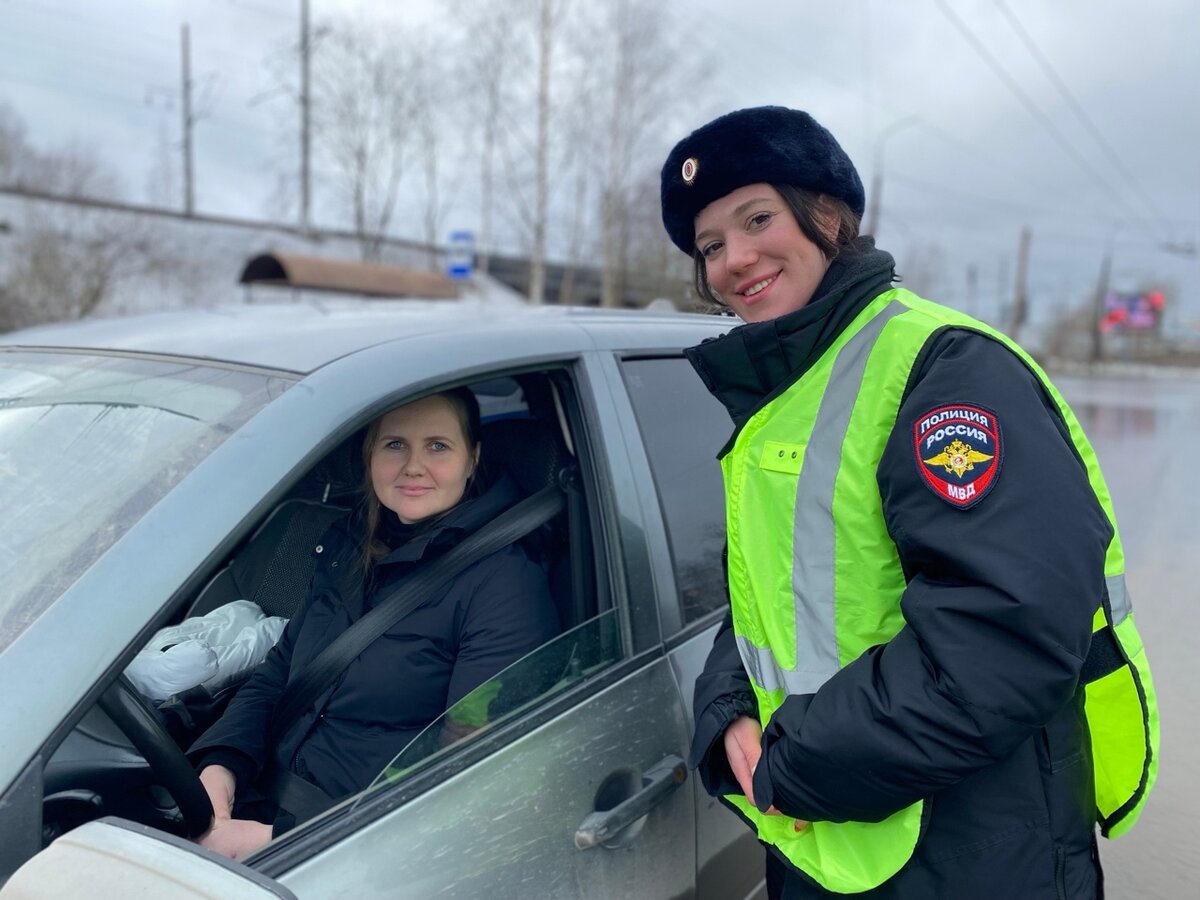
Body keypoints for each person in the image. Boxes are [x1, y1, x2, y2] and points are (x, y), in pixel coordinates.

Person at [659, 106, 1158, 898]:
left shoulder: (941, 369)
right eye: (710, 245)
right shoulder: (784, 393)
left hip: (969, 847)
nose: (733, 260)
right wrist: (729, 712)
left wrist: (793, 763)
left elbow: (1003, 633)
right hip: (829, 831)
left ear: (829, 217)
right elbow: (766, 600)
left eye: (756, 219)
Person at [188, 388, 558, 859]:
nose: (414, 466)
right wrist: (222, 763)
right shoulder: (347, 546)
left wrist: (280, 841)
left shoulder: (504, 582)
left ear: (472, 460)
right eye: (395, 444)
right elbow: (278, 674)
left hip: (363, 844)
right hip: (261, 799)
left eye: (438, 446)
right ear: (369, 457)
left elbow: (470, 773)